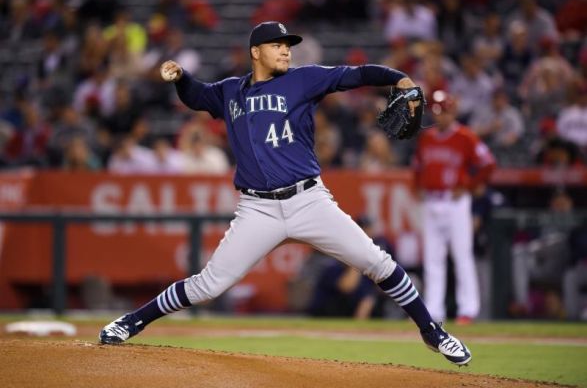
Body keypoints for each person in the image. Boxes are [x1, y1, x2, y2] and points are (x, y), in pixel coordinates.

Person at [99, 21, 471, 366]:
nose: (286, 51)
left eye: (288, 46)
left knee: (377, 263)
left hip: (308, 200)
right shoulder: (230, 91)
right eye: (277, 45)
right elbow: (197, 97)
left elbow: (355, 75)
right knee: (209, 284)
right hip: (257, 209)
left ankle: (432, 332)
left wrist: (398, 78)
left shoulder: (303, 80)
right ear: (256, 52)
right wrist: (180, 76)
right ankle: (131, 322)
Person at [413, 90, 496, 325]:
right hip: (431, 201)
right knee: (432, 259)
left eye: (444, 112)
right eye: (437, 112)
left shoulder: (465, 137)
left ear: (453, 111)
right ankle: (434, 311)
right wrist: (417, 186)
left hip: (455, 201)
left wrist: (470, 185)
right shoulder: (426, 138)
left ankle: (468, 310)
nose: (440, 117)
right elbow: (418, 167)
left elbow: (488, 163)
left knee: (462, 256)